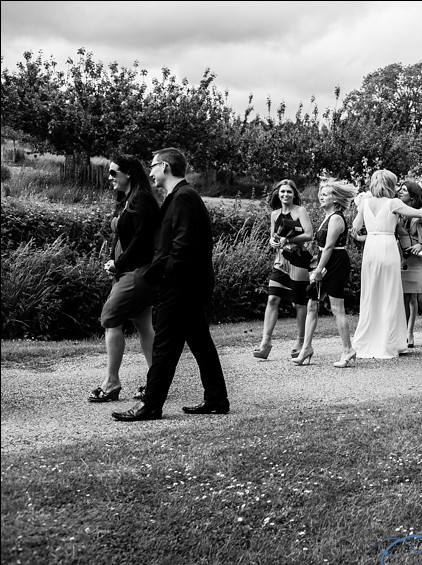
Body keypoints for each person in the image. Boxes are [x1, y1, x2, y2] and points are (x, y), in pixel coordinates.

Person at [112, 147, 228, 421]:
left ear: (165, 166)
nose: (150, 172)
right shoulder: (179, 197)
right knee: (200, 342)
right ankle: (216, 399)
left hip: (181, 285)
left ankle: (151, 404)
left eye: (153, 166)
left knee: (164, 345)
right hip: (185, 284)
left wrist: (160, 275)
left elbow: (182, 248)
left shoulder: (184, 198)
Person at [89, 155, 159, 403]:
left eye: (112, 173)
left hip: (140, 270)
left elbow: (142, 241)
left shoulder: (143, 200)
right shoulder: (126, 200)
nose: (109, 178)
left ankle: (111, 382)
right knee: (143, 323)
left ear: (128, 173)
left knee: (110, 317)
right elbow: (119, 237)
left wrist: (119, 263)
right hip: (125, 270)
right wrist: (112, 262)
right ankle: (155, 381)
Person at [352, 169, 422, 359]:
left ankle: (367, 340)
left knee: (371, 293)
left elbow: (355, 229)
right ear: (389, 184)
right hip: (387, 248)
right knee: (390, 293)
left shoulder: (365, 203)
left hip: (371, 248)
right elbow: (420, 212)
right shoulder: (393, 203)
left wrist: (367, 234)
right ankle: (389, 342)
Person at [294, 180, 357, 367]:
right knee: (312, 305)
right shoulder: (327, 216)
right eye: (321, 193)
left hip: (335, 263)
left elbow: (329, 247)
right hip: (324, 260)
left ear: (336, 199)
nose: (321, 196)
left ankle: (348, 350)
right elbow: (323, 248)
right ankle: (306, 348)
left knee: (337, 308)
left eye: (326, 194)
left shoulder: (337, 218)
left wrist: (319, 270)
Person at [252, 179, 313, 360]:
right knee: (272, 298)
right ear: (277, 194)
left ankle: (301, 342)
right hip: (280, 262)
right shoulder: (274, 214)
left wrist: (290, 240)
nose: (285, 194)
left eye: (289, 192)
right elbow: (274, 237)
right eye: (282, 192)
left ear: (294, 194)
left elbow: (309, 235)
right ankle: (265, 343)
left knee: (300, 303)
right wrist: (273, 242)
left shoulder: (300, 211)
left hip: (298, 261)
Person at [397, 180, 422, 354]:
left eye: (404, 190)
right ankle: (401, 339)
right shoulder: (398, 211)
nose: (400, 192)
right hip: (406, 261)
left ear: (413, 195)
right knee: (404, 300)